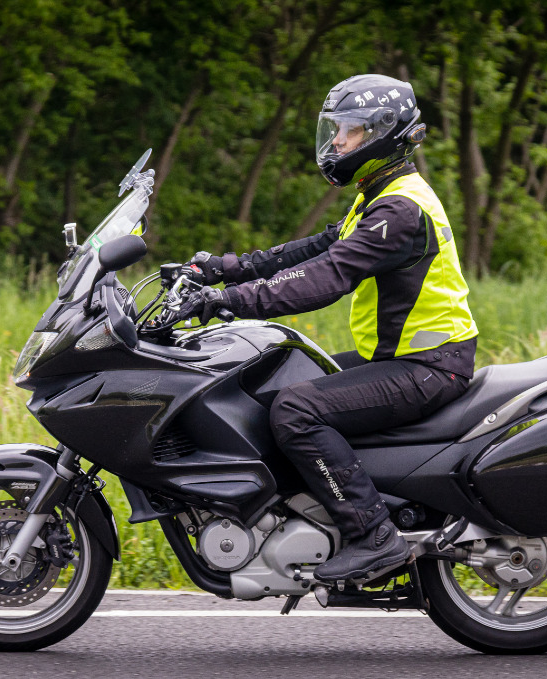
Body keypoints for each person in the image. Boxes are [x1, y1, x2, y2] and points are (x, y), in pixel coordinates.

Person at [178, 74, 479, 582]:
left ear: (382, 133)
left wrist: (229, 301)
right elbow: (316, 249)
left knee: (296, 410)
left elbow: (326, 276)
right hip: (402, 359)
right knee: (273, 382)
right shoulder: (381, 195)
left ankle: (373, 535)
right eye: (335, 129)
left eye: (349, 130)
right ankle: (303, 519)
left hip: (428, 366)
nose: (337, 141)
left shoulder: (400, 210)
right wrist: (224, 269)